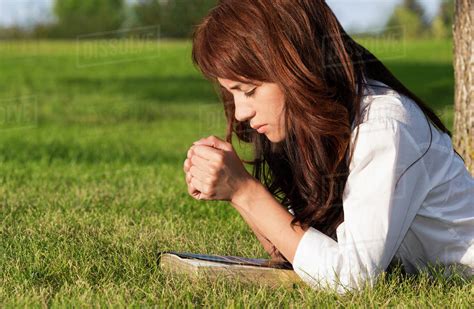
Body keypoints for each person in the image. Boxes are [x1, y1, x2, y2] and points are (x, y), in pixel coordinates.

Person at [182, 0, 474, 294]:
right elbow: (299, 253)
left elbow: (350, 279)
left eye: (249, 91)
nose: (241, 112)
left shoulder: (382, 125)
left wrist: (245, 191)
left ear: (296, 65)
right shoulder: (311, 123)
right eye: (233, 93)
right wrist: (234, 191)